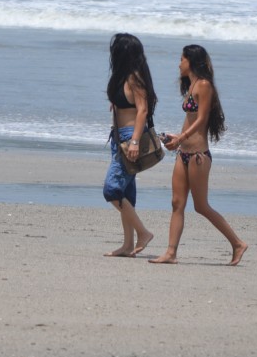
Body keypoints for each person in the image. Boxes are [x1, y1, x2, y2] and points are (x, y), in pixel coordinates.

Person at [150, 45, 248, 266]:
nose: (179, 63)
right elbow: (192, 121)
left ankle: (238, 243)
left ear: (191, 61)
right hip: (183, 153)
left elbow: (202, 120)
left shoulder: (203, 85)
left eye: (181, 59)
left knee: (201, 206)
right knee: (177, 202)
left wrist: (181, 138)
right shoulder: (192, 85)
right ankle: (170, 252)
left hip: (198, 156)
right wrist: (176, 138)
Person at [102, 33, 156, 257]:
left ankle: (143, 233)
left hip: (130, 138)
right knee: (126, 193)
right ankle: (127, 245)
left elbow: (143, 109)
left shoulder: (135, 77)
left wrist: (134, 141)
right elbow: (129, 104)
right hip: (118, 137)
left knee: (112, 189)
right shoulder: (121, 76)